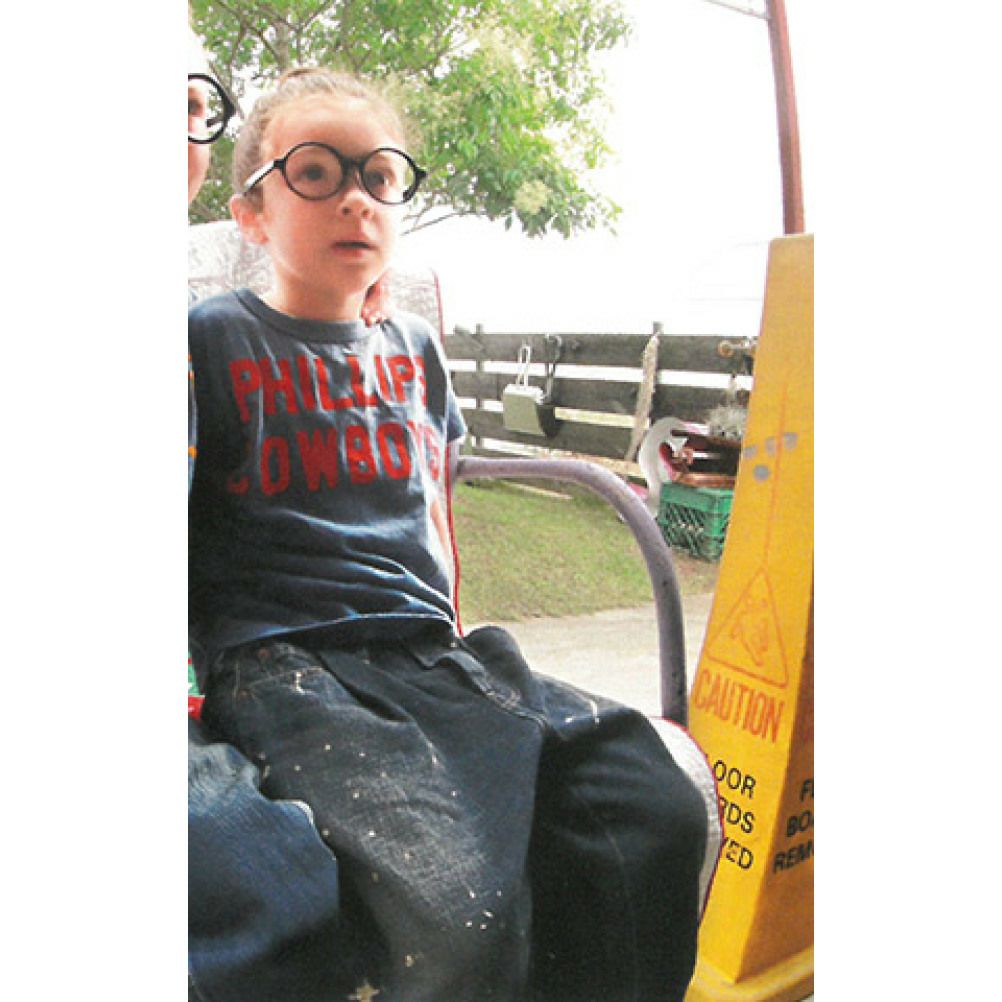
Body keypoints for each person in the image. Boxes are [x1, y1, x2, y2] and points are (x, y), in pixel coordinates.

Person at [189, 66, 710, 1001]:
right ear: (252, 216)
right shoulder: (211, 337)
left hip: (430, 653)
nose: (355, 197)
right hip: (289, 662)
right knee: (456, 909)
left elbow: (434, 508)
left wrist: (452, 629)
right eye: (316, 173)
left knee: (651, 804)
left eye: (379, 176)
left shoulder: (416, 348)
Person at [187, 35, 347, 1002]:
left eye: (187, 106)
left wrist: (337, 303)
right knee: (275, 881)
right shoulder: (210, 332)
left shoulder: (187, 334)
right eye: (315, 176)